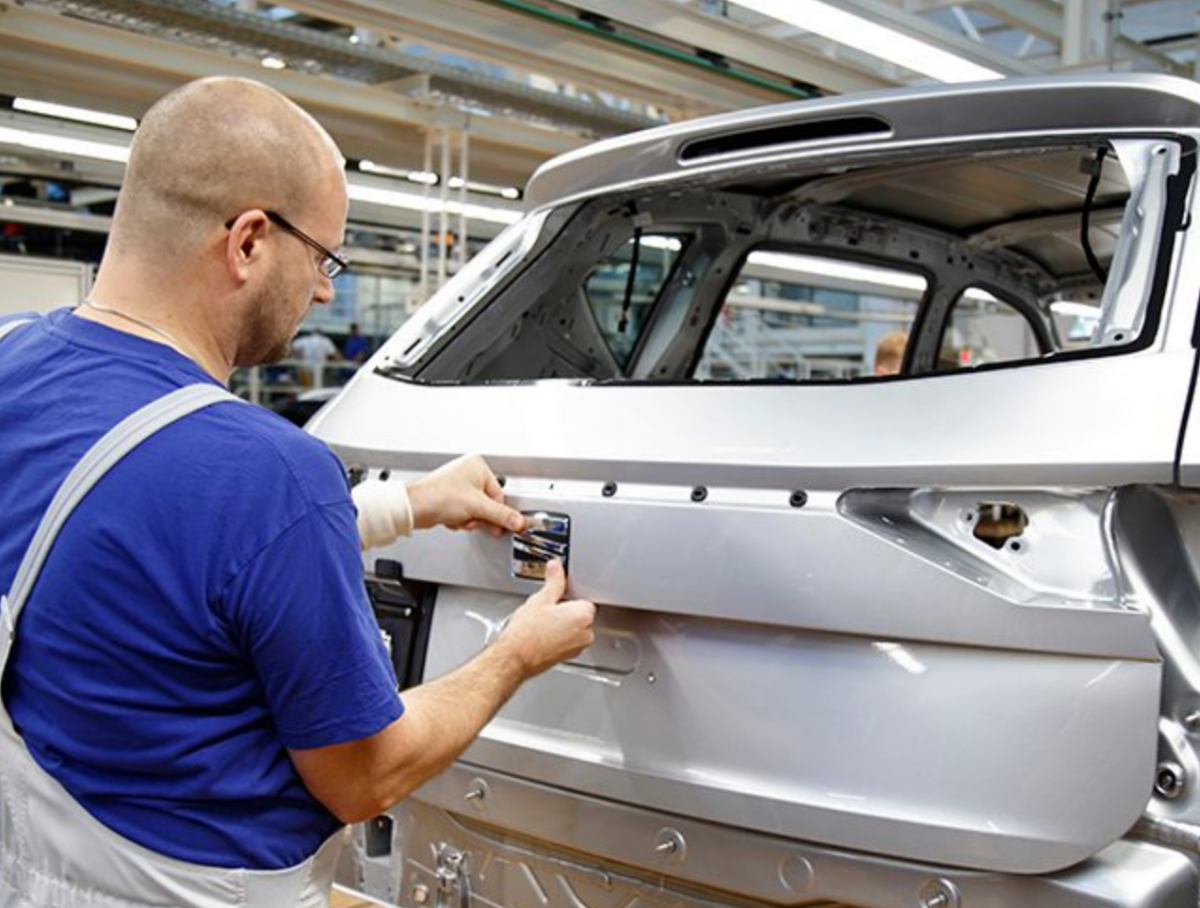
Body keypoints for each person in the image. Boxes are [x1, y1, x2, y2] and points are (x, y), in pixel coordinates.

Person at [0, 77, 595, 908]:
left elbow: (158, 546)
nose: (323, 289)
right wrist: (516, 654)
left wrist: (409, 504)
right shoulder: (268, 472)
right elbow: (367, 775)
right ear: (248, 241)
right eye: (323, 257)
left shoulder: (13, 359)